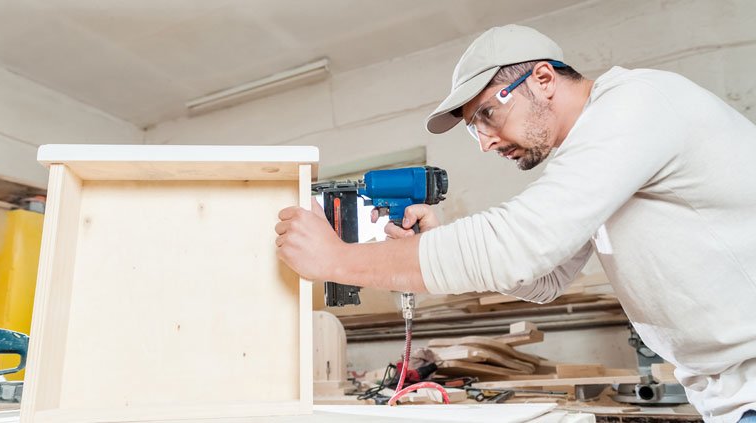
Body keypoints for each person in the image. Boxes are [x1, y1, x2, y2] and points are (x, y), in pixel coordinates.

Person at [274, 24, 756, 422]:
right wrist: (438, 243)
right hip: (726, 398)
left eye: (487, 113)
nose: (484, 141)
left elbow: (517, 244)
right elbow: (545, 278)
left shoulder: (638, 104)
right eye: (472, 128)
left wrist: (336, 260)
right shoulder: (600, 153)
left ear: (543, 79)